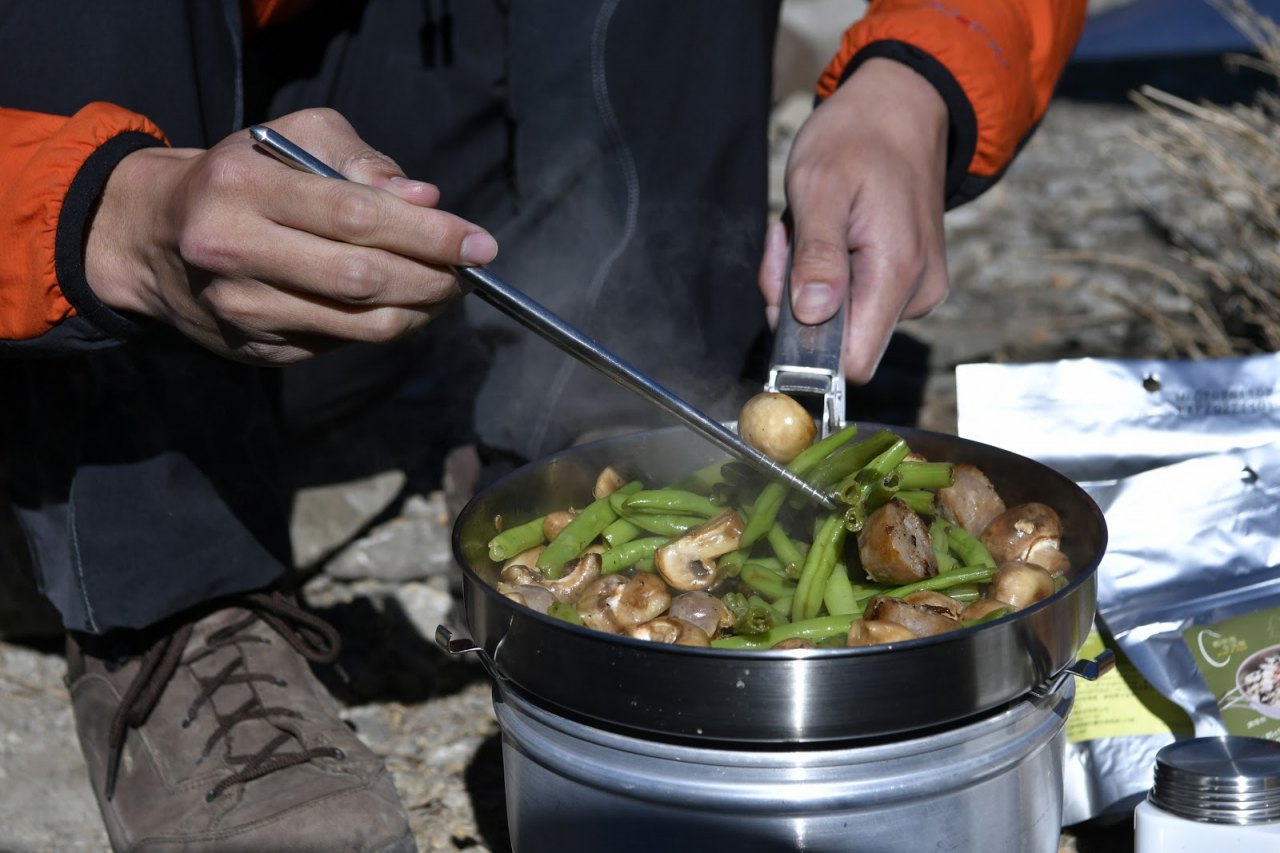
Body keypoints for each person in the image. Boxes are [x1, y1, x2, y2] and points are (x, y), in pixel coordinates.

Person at [0, 1, 1085, 851]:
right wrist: (95, 213)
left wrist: (919, 73)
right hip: (72, 277)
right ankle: (170, 593)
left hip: (409, 203)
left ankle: (582, 456)